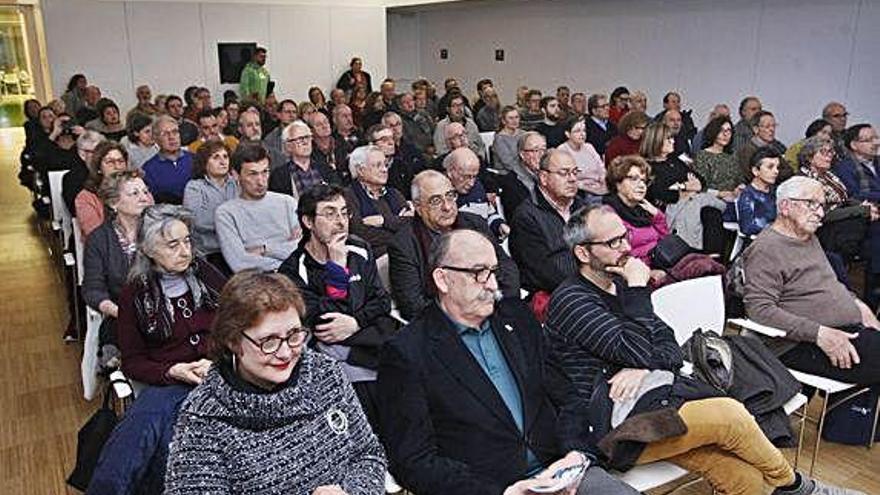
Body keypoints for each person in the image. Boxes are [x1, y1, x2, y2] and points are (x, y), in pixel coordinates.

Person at [546, 203, 862, 495]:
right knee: (730, 416)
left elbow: (669, 346)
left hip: (648, 400)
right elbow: (640, 347)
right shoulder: (574, 300)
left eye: (625, 237)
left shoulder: (622, 285)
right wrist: (640, 297)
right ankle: (798, 488)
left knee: (734, 470)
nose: (626, 248)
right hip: (605, 425)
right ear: (583, 254)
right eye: (613, 243)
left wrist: (642, 365)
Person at [377, 229, 640, 495]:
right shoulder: (407, 353)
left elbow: (567, 398)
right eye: (479, 273)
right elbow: (414, 461)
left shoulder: (517, 318)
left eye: (493, 271)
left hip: (561, 472)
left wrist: (576, 453)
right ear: (443, 279)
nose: (492, 284)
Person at [164, 270, 386, 494]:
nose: (285, 352)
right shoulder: (205, 416)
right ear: (232, 340)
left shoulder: (326, 375)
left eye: (293, 335)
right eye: (269, 341)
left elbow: (367, 453)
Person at [88, 204, 226, 494]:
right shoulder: (135, 293)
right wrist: (173, 370)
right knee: (149, 432)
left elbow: (240, 320)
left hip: (221, 374)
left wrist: (221, 360)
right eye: (173, 244)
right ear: (149, 249)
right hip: (170, 381)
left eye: (187, 241)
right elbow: (133, 362)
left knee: (166, 438)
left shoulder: (207, 275)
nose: (185, 251)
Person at [278, 184, 398, 433]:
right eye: (330, 214)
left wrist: (355, 322)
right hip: (336, 357)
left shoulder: (360, 249)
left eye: (344, 213)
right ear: (308, 221)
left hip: (369, 341)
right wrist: (336, 268)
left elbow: (381, 302)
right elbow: (326, 322)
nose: (341, 221)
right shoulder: (292, 270)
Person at [744, 176, 880, 387]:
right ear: (785, 206)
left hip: (845, 329)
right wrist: (819, 334)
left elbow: (829, 286)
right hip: (800, 343)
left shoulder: (809, 238)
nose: (820, 213)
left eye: (822, 206)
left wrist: (858, 305)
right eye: (811, 204)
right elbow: (759, 310)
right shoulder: (767, 248)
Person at [388, 170, 520, 320]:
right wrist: (466, 316)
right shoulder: (404, 244)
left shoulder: (474, 223)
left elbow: (506, 267)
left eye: (450, 196)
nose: (447, 207)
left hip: (494, 307)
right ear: (418, 207)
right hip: (448, 323)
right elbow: (412, 305)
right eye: (436, 201)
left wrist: (502, 303)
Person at [82, 170, 154, 368]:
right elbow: (93, 290)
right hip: (123, 311)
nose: (144, 198)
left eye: (146, 192)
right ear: (114, 203)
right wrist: (121, 312)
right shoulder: (99, 239)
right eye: (135, 194)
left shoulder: (160, 230)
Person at [510, 149, 585, 297]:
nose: (572, 179)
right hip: (555, 295)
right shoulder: (526, 216)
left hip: (588, 285)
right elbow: (541, 272)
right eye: (564, 173)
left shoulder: (581, 207)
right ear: (544, 178)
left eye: (575, 172)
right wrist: (584, 287)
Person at [215, 144, 301, 273]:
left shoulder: (287, 202)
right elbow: (240, 263)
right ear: (235, 175)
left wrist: (265, 249)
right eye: (252, 174)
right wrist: (286, 256)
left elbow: (302, 248)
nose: (261, 181)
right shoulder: (225, 213)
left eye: (265, 172)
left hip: (297, 275)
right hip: (257, 283)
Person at [603, 155, 669, 282]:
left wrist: (658, 217)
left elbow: (665, 242)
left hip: (661, 264)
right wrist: (648, 272)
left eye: (644, 181)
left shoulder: (643, 209)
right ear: (617, 183)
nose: (642, 185)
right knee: (702, 267)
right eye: (634, 179)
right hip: (636, 276)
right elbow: (616, 258)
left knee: (702, 263)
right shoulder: (608, 214)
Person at [344, 145, 411, 257]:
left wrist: (384, 221)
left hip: (403, 252)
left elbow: (411, 224)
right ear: (361, 171)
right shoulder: (348, 196)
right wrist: (397, 226)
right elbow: (360, 232)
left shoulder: (394, 193)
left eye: (385, 164)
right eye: (378, 165)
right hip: (375, 257)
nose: (384, 170)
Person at [183, 140, 239, 273]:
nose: (223, 161)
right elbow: (199, 221)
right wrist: (232, 222)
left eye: (225, 157)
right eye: (216, 157)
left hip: (238, 247)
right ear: (204, 163)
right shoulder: (195, 187)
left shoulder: (237, 183)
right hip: (210, 251)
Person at [445, 147, 508, 241]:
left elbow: (489, 212)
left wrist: (499, 225)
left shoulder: (477, 187)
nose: (471, 183)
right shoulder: (443, 198)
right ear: (450, 172)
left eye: (474, 176)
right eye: (466, 177)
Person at [268, 121, 339, 198]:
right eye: (300, 139)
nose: (305, 142)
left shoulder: (325, 168)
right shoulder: (279, 176)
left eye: (307, 137)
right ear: (288, 146)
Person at [75, 141, 131, 239]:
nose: (117, 166)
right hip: (105, 247)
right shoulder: (86, 197)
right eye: (110, 162)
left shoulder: (138, 188)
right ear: (99, 168)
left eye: (121, 161)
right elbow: (95, 234)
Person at [665, 171, 727, 253]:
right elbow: (723, 205)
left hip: (674, 247)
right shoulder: (700, 198)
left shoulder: (673, 204)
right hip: (690, 247)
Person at [142, 115, 194, 204]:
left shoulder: (195, 159)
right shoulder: (148, 169)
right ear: (156, 139)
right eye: (165, 134)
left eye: (175, 132)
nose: (171, 137)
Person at [693, 116, 746, 200]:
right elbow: (699, 186)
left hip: (733, 199)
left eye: (729, 131)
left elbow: (740, 179)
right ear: (713, 132)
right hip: (711, 201)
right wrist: (719, 193)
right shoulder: (702, 156)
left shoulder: (732, 155)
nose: (726, 134)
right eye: (721, 130)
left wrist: (739, 188)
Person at [374, 117, 426, 199]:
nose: (391, 142)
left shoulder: (402, 165)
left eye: (391, 138)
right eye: (384, 140)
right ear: (372, 144)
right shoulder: (369, 169)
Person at [640, 122, 691, 208]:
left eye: (672, 138)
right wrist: (685, 186)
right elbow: (661, 194)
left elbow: (699, 180)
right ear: (656, 140)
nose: (673, 141)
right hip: (663, 209)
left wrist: (680, 188)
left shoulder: (677, 159)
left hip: (687, 203)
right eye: (668, 139)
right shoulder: (645, 166)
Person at [498, 131, 545, 218]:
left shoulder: (548, 174)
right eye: (535, 150)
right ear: (522, 155)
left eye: (543, 149)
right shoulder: (511, 183)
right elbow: (521, 216)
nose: (541, 155)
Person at [558, 118, 606, 199]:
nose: (582, 134)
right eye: (577, 131)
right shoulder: (562, 151)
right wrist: (590, 188)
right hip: (581, 191)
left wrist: (603, 182)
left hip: (598, 187)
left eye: (584, 130)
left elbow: (601, 168)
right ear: (568, 134)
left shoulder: (589, 147)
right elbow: (566, 178)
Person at [736, 110, 788, 183]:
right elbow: (749, 176)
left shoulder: (777, 146)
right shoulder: (746, 151)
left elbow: (788, 170)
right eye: (767, 126)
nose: (772, 129)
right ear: (756, 129)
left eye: (774, 126)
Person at [738, 148, 781, 236]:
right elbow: (747, 227)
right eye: (770, 167)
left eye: (777, 167)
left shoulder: (778, 191)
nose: (776, 171)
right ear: (756, 171)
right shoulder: (748, 195)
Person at [433, 94, 486, 159]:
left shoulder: (471, 124)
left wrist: (479, 158)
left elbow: (480, 146)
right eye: (454, 105)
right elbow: (440, 151)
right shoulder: (441, 126)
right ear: (448, 109)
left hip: (472, 160)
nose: (459, 108)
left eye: (461, 105)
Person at [397, 92, 434, 156]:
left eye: (411, 100)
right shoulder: (400, 121)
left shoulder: (423, 114)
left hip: (432, 149)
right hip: (415, 153)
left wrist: (433, 145)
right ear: (400, 106)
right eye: (406, 102)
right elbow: (407, 141)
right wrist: (423, 151)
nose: (410, 104)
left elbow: (433, 130)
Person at [493, 105, 524, 173]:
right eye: (511, 118)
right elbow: (508, 163)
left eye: (516, 117)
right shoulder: (499, 139)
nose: (514, 120)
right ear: (503, 121)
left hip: (525, 169)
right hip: (506, 173)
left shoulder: (523, 134)